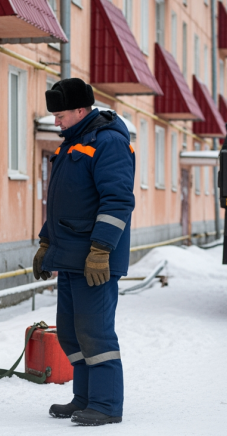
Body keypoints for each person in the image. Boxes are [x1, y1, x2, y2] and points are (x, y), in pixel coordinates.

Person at [33, 78, 135, 426]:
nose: (56, 122)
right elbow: (62, 203)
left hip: (95, 260)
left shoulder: (108, 143)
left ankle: (106, 405)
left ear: (80, 110)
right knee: (70, 331)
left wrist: (101, 249)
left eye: (60, 115)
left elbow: (118, 200)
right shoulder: (72, 144)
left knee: (95, 331)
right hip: (70, 256)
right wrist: (46, 242)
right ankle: (85, 397)